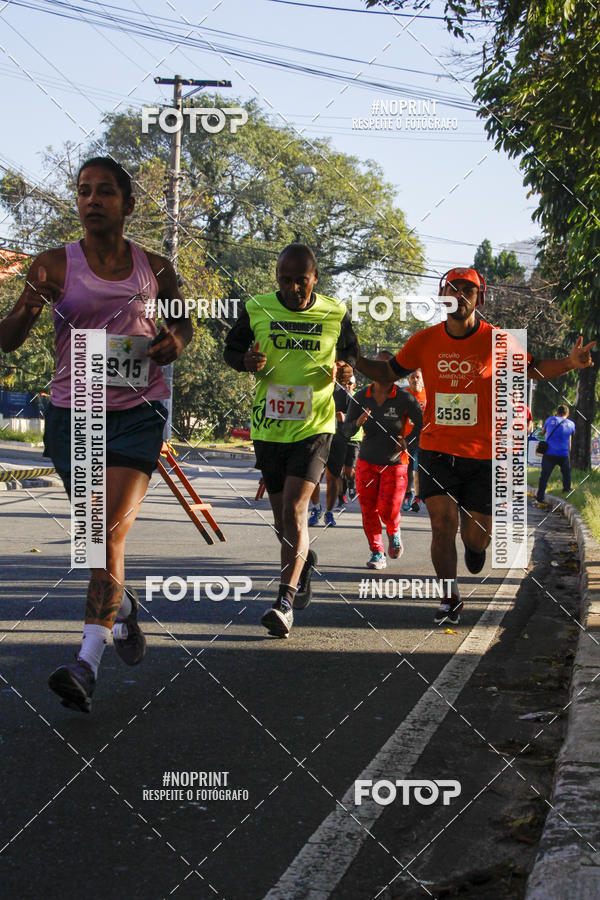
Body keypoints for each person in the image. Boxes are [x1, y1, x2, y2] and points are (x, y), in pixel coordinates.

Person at [0, 157, 192, 712]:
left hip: (138, 410)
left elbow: (183, 322)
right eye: (84, 191)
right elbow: (8, 340)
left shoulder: (154, 267)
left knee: (105, 530)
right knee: (94, 540)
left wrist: (175, 340)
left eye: (105, 191)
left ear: (128, 205)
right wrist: (30, 302)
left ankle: (86, 663)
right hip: (73, 410)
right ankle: (124, 611)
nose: (92, 200)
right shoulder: (52, 266)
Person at [355, 266, 595, 625]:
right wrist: (355, 360)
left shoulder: (498, 340)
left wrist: (569, 364)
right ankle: (449, 597)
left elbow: (532, 369)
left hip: (483, 453)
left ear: (479, 299)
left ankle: (474, 546)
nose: (460, 295)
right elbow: (389, 371)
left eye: (468, 290)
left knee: (476, 536)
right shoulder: (424, 341)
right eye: (452, 289)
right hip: (436, 449)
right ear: (443, 296)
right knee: (442, 522)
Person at [224, 243, 358, 637]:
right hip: (269, 426)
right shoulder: (257, 308)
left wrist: (346, 371)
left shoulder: (335, 313)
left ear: (315, 278)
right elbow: (231, 350)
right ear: (276, 279)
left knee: (297, 510)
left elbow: (352, 358)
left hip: (315, 426)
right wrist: (245, 361)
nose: (294, 288)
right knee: (283, 519)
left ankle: (284, 603)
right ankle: (303, 563)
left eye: (301, 280)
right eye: (286, 280)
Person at [343, 351, 422, 569]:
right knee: (369, 510)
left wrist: (408, 442)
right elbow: (346, 430)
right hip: (367, 462)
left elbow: (421, 425)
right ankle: (377, 551)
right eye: (376, 368)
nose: (381, 372)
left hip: (395, 464)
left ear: (394, 372)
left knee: (388, 508)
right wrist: (357, 423)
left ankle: (394, 531)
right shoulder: (361, 396)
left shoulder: (405, 398)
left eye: (386, 367)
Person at [308, 381, 352, 527]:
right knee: (314, 477)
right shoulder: (313, 387)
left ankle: (329, 512)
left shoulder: (344, 394)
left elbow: (353, 418)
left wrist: (343, 417)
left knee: (333, 479)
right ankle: (315, 508)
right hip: (316, 439)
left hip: (337, 440)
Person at [535, 404, 576, 503]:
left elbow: (543, 432)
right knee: (566, 473)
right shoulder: (571, 424)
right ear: (567, 414)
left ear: (557, 412)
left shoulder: (550, 420)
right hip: (563, 454)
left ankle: (540, 497)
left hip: (549, 453)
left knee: (544, 476)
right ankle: (566, 490)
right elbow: (572, 435)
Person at [402, 368, 427, 513]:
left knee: (418, 466)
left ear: (422, 379)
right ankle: (407, 493)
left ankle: (417, 497)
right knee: (408, 467)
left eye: (417, 377)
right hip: (406, 437)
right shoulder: (404, 394)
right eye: (412, 377)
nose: (415, 380)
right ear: (408, 379)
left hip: (423, 437)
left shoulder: (427, 394)